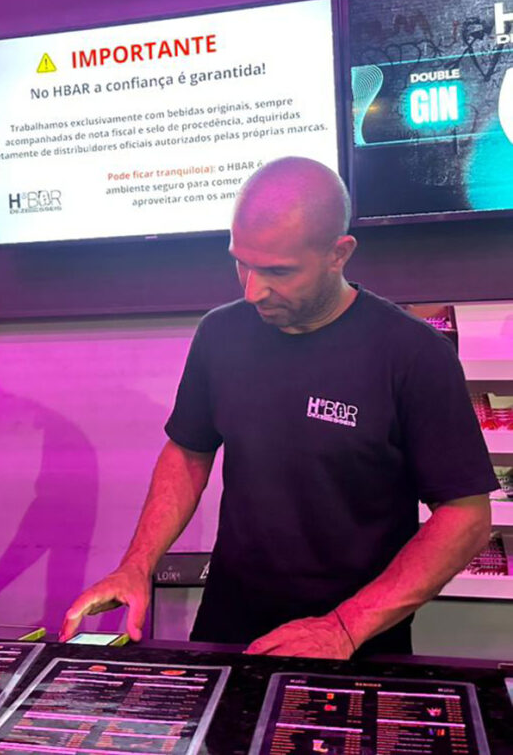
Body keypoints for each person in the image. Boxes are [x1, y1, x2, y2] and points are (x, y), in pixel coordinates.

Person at [60, 157, 497, 658]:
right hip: (230, 623)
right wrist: (137, 565)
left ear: (339, 254)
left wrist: (344, 628)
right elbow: (187, 454)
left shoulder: (413, 354)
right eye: (241, 263)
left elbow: (465, 516)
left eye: (278, 271)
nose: (253, 291)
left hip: (356, 637)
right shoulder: (220, 334)